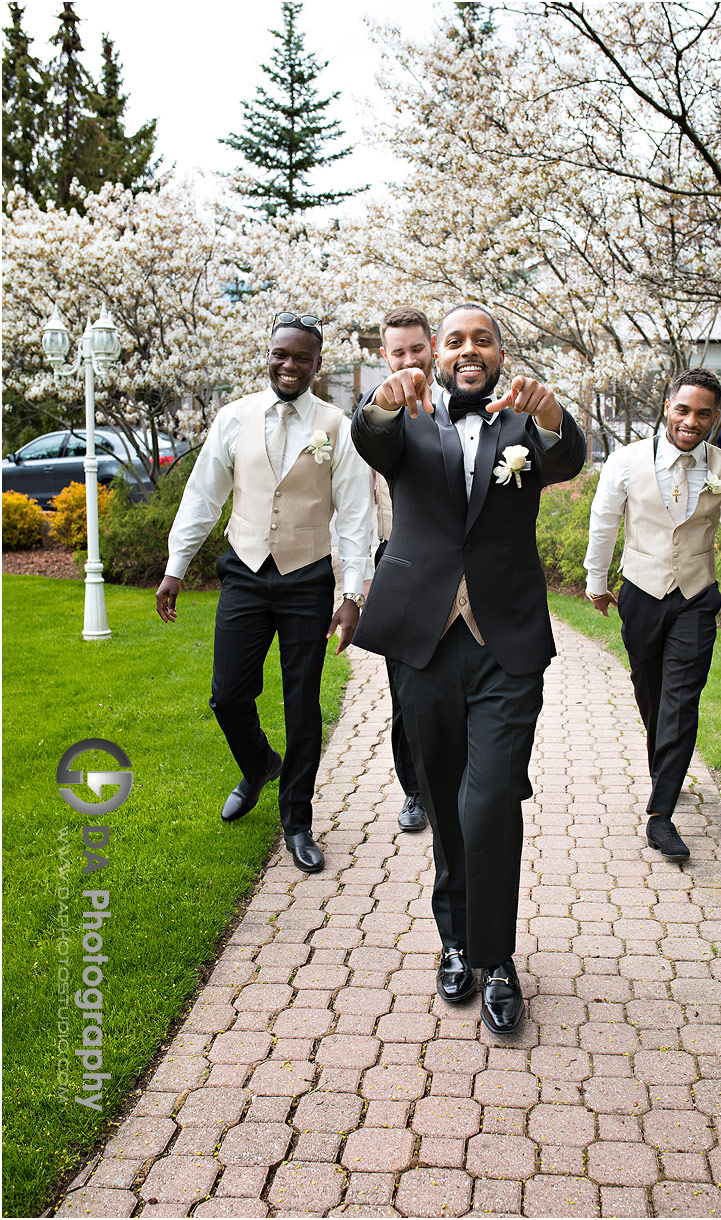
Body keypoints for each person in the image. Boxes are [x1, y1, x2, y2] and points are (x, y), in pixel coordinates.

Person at [352, 303, 585, 1035]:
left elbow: (567, 456)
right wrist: (381, 402)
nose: (467, 349)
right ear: (438, 355)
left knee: (487, 801)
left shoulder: (524, 426)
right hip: (423, 641)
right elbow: (370, 438)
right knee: (444, 795)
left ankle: (498, 957)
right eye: (455, 341)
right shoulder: (408, 421)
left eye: (481, 339)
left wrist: (553, 416)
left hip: (506, 646)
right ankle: (454, 940)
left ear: (498, 351)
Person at [155, 313, 372, 874]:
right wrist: (176, 567)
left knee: (302, 704)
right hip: (246, 571)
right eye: (282, 354)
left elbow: (354, 513)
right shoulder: (234, 417)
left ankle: (296, 820)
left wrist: (351, 594)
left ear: (317, 364)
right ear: (268, 355)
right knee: (227, 695)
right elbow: (204, 495)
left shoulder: (338, 426)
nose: (290, 365)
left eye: (302, 357)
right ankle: (258, 766)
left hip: (307, 576)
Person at [584, 368, 721, 861]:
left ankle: (660, 815)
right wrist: (595, 583)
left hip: (697, 594)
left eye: (703, 413)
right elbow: (604, 523)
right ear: (668, 407)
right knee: (650, 689)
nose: (691, 420)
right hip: (640, 591)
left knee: (682, 698)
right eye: (683, 409)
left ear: (715, 416)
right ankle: (664, 764)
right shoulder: (625, 461)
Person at [363, 306, 437, 833]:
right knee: (406, 691)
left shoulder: (461, 405)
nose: (409, 360)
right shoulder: (374, 415)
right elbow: (355, 503)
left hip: (458, 569)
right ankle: (414, 791)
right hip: (397, 562)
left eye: (417, 349)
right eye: (398, 351)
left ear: (433, 347)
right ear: (383, 356)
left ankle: (453, 783)